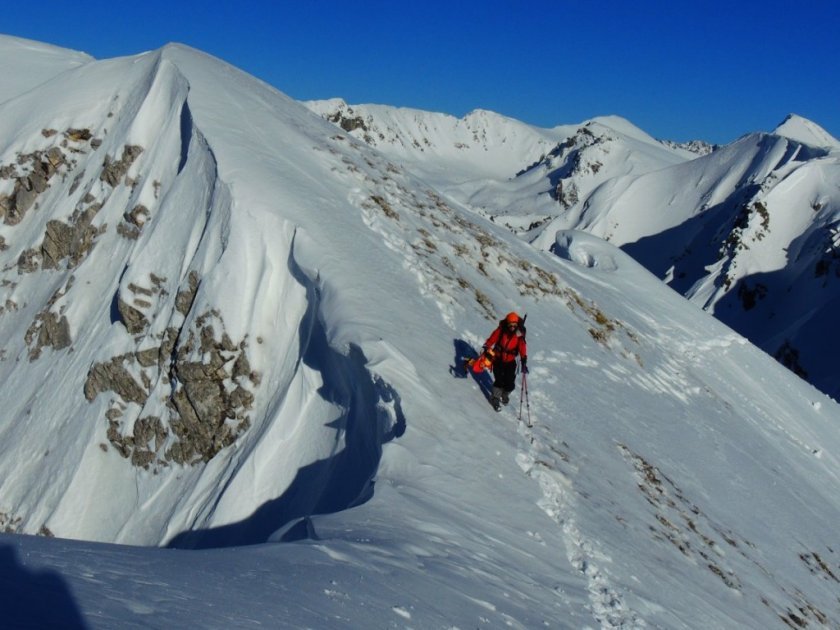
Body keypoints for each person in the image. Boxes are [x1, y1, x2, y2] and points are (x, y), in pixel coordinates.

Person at [482, 312, 528, 411]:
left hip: (510, 361)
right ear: (507, 323)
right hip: (498, 359)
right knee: (499, 380)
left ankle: (505, 394)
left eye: (514, 325)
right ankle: (495, 398)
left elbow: (522, 347)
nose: (512, 327)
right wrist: (487, 346)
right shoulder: (501, 330)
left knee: (510, 383)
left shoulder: (519, 334)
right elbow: (492, 339)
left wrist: (524, 360)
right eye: (510, 324)